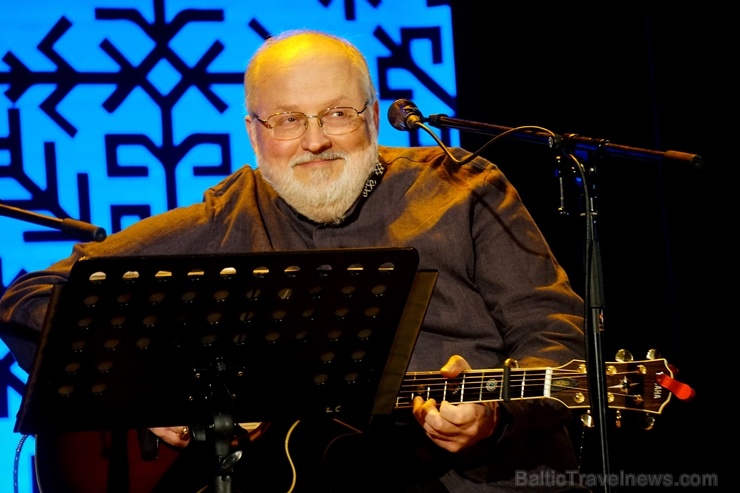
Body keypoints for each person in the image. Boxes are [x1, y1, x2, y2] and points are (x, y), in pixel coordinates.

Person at [0, 29, 588, 492]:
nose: (314, 141)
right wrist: (147, 389)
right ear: (254, 134)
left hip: (482, 482)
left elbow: (553, 330)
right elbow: (30, 296)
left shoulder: (461, 185)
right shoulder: (229, 215)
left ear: (372, 116)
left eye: (336, 114)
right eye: (286, 119)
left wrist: (500, 414)